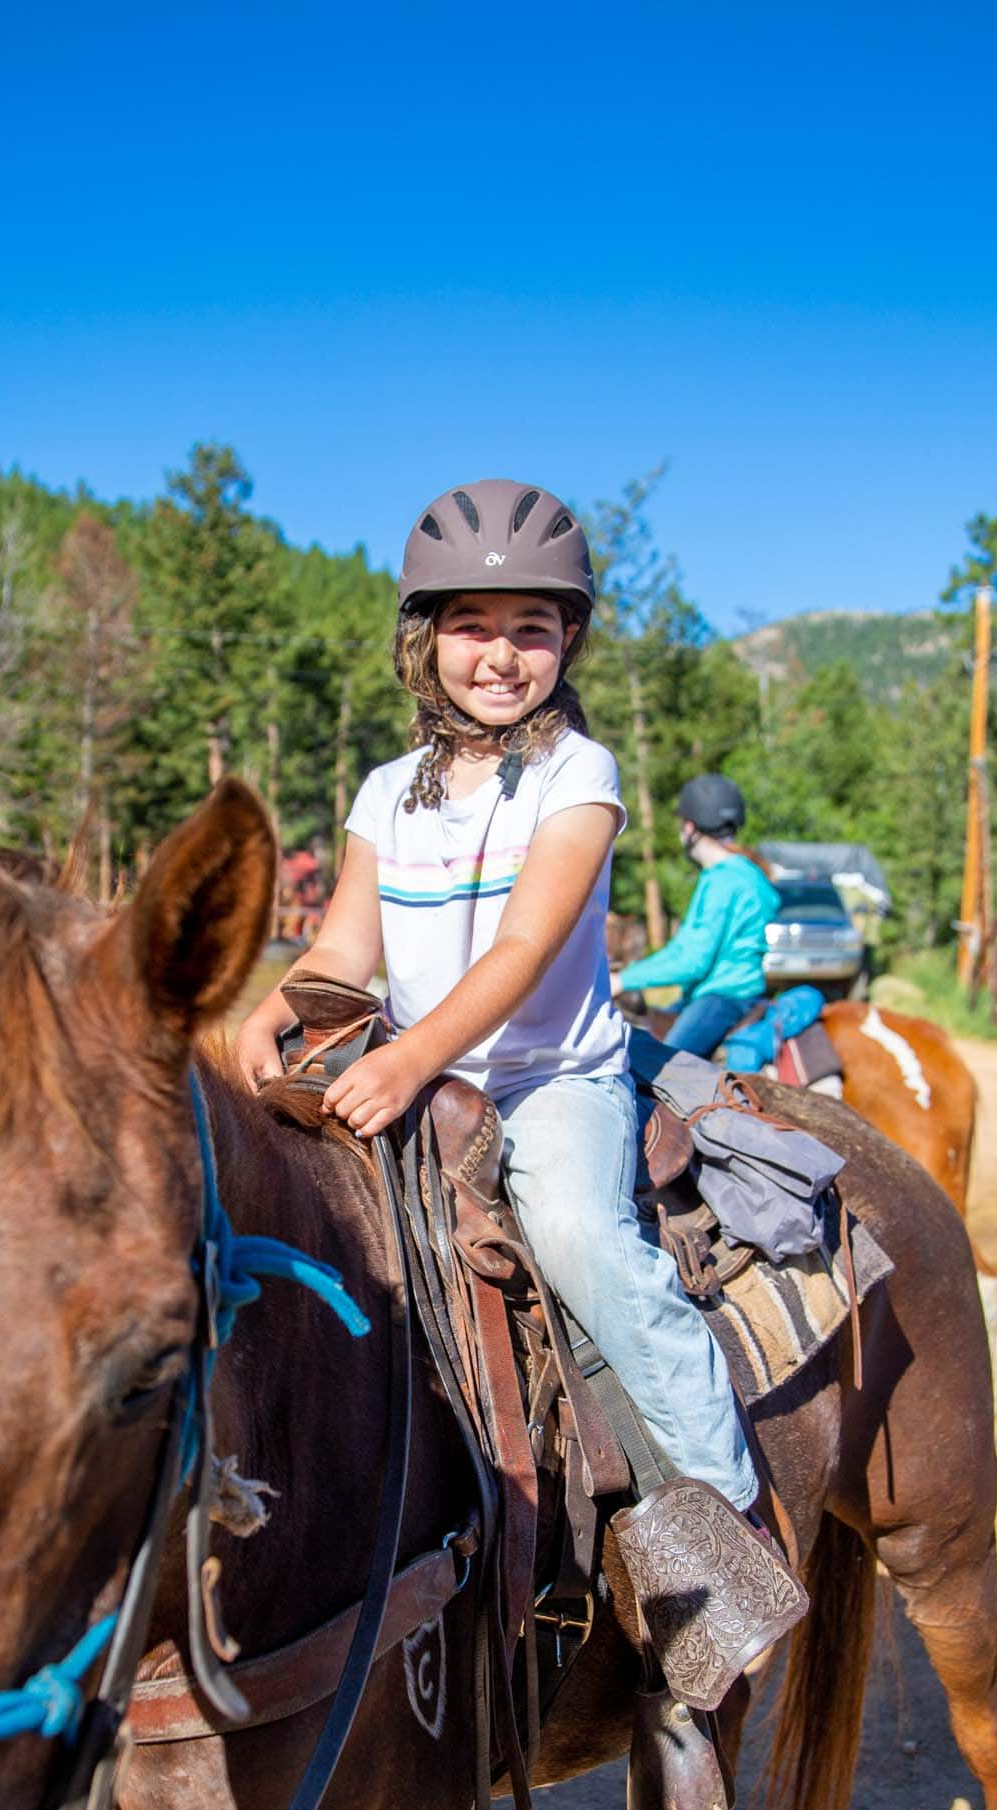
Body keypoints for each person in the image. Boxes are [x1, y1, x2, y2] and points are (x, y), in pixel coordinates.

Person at [234, 480, 802, 1628]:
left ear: (568, 640)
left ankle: (725, 1521)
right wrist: (271, 1008)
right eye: (471, 625)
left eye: (530, 629)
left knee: (584, 1239)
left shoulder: (575, 776)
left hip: (548, 1079)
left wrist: (407, 1060)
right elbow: (346, 941)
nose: (500, 655)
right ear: (424, 640)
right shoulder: (386, 794)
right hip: (412, 1067)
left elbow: (528, 946)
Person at [615, 776, 779, 1056]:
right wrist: (629, 975)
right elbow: (681, 948)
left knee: (660, 1070)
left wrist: (621, 981)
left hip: (724, 997)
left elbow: (693, 961)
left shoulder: (723, 881)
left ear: (690, 827)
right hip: (714, 993)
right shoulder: (739, 873)